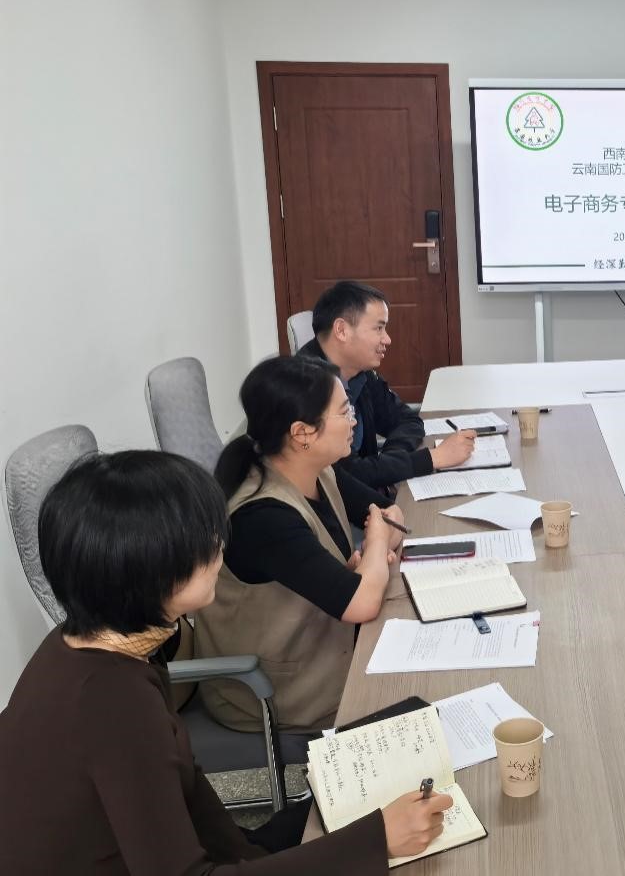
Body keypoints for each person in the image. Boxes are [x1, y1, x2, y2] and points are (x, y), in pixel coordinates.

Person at [0, 450, 452, 874]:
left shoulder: (92, 642)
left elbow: (186, 793)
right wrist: (377, 840)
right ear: (148, 569)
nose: (220, 546)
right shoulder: (113, 703)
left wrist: (257, 851)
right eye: (202, 542)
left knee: (352, 797)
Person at [194, 355, 404, 733]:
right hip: (279, 692)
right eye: (344, 411)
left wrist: (370, 561)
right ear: (303, 433)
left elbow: (391, 515)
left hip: (326, 647)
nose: (354, 420)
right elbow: (363, 601)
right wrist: (374, 548)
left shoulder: (319, 470)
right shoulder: (262, 515)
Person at [299, 280, 475, 489]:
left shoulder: (359, 371)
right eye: (379, 328)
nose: (387, 339)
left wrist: (390, 464)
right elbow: (345, 477)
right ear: (342, 330)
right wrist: (432, 458)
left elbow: (407, 420)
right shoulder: (307, 390)